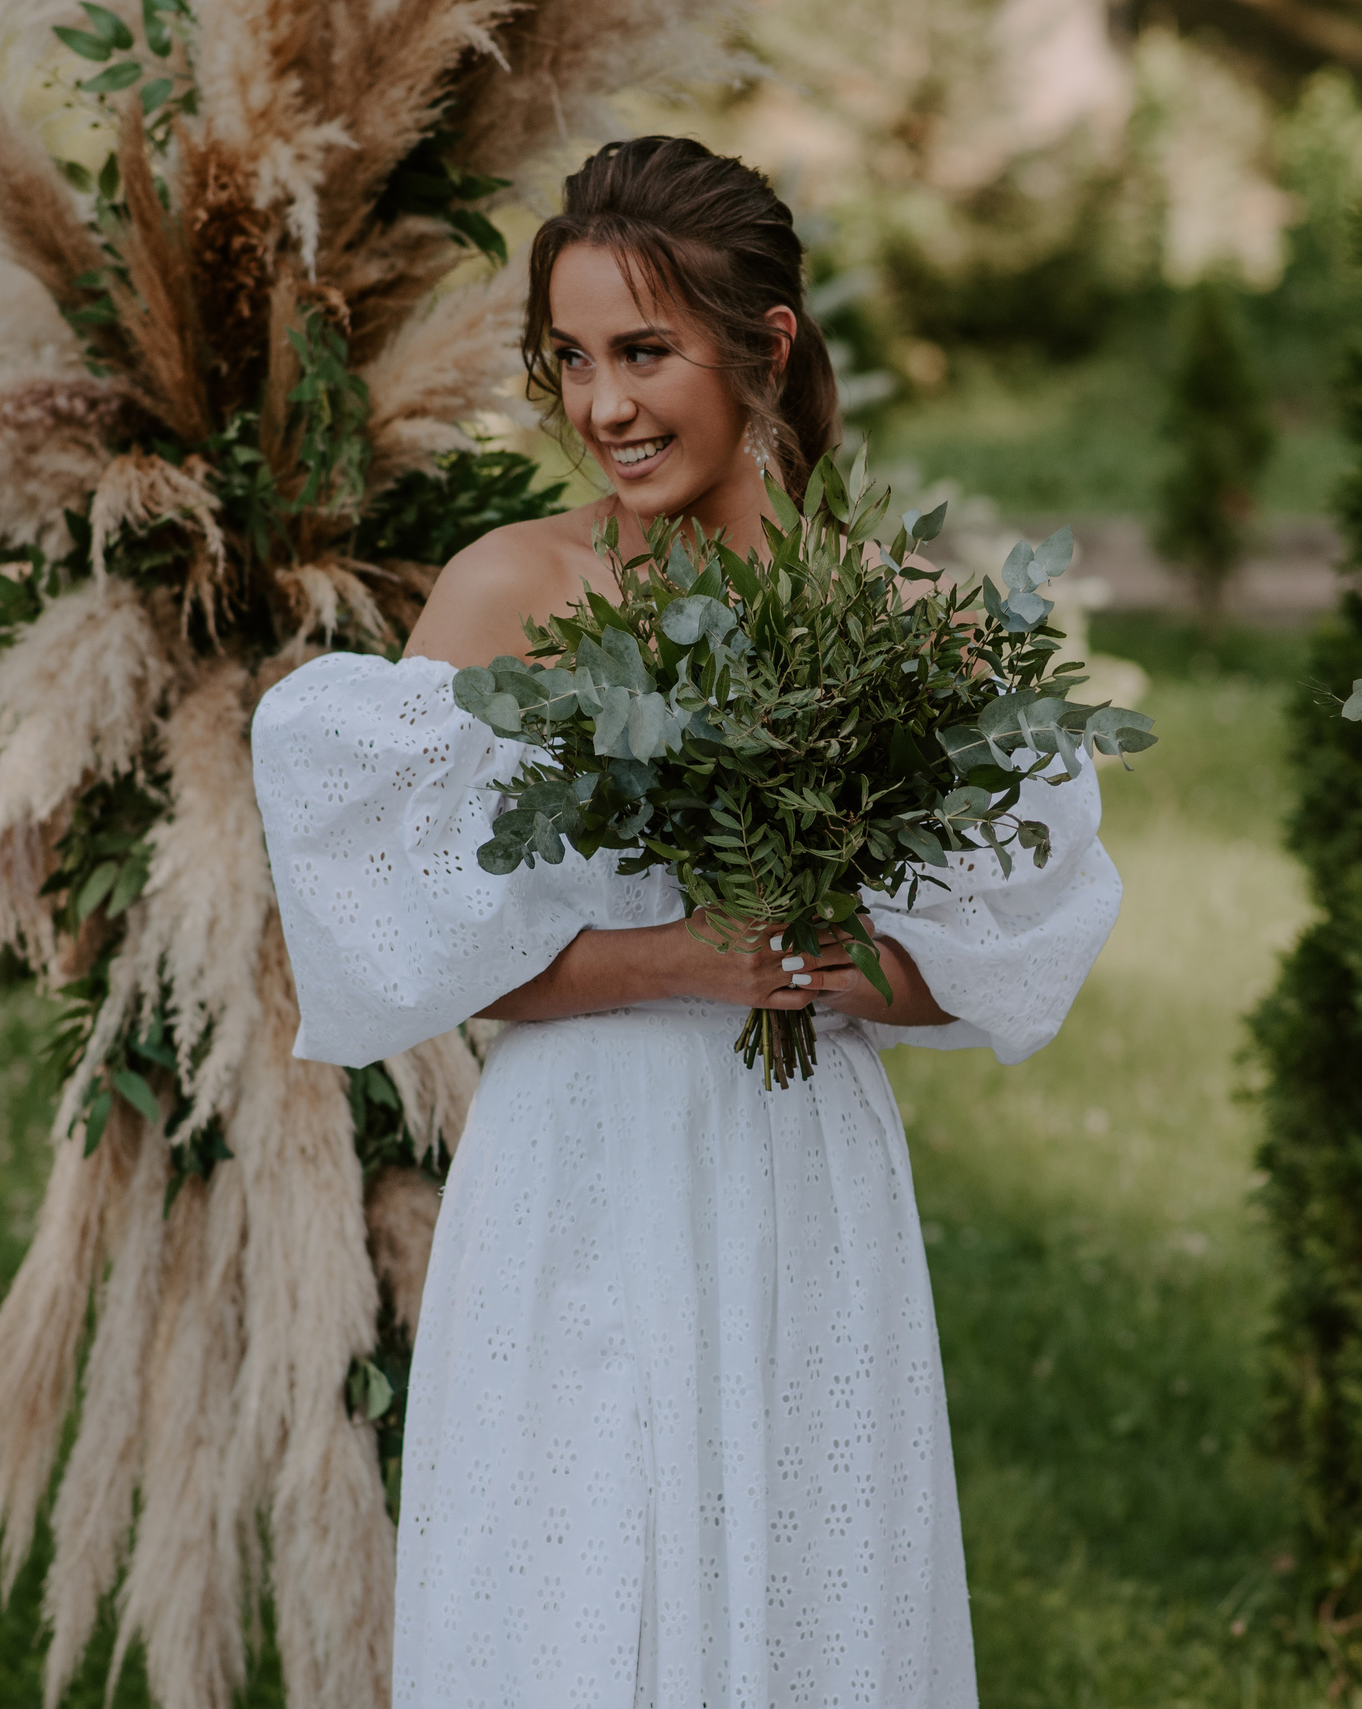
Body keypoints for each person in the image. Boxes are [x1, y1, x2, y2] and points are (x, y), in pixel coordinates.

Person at [250, 136, 1122, 1704]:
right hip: (575, 1163)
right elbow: (428, 947)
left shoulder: (895, 618)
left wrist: (853, 966)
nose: (605, 407)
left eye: (646, 351)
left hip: (801, 1168)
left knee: (805, 1570)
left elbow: (1009, 937)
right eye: (572, 359)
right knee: (577, 1581)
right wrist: (679, 957)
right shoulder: (513, 589)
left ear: (766, 346)